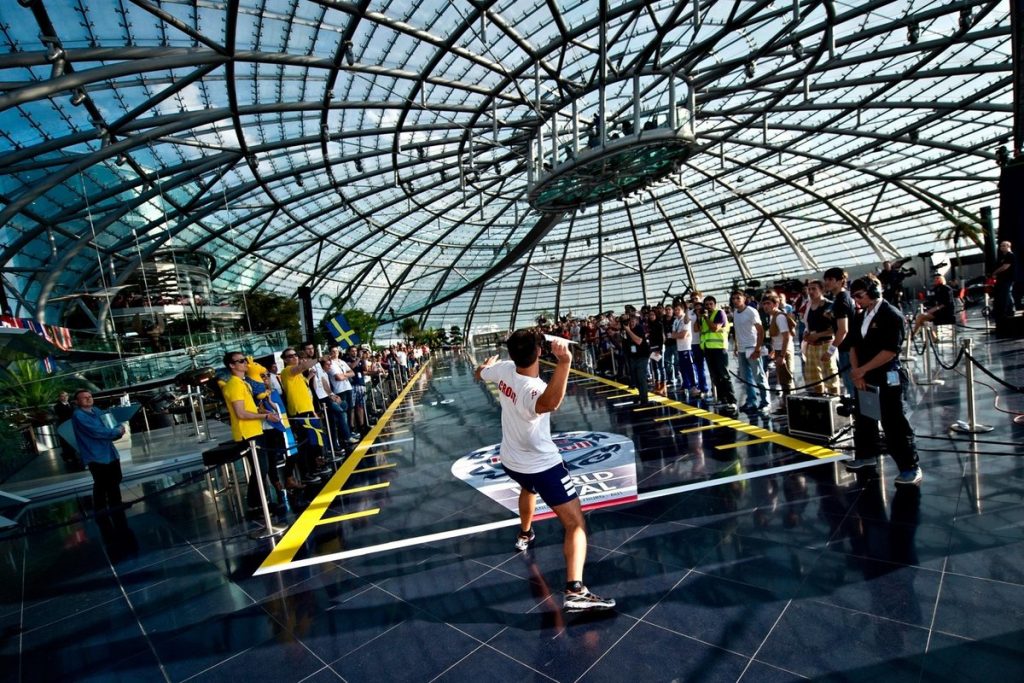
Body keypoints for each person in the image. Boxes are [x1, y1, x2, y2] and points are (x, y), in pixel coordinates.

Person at [475, 329, 616, 613]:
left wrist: (486, 366)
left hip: (512, 461)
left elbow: (479, 374)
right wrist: (564, 363)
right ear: (540, 352)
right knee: (575, 523)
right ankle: (575, 590)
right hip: (542, 466)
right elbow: (550, 403)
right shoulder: (534, 389)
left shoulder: (502, 369)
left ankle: (525, 533)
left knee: (527, 489)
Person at [842, 275, 922, 486]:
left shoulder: (891, 315)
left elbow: (889, 351)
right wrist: (858, 371)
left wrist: (862, 371)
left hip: (888, 375)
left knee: (894, 422)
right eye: (854, 297)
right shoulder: (860, 317)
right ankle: (866, 455)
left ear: (873, 292)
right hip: (865, 376)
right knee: (864, 418)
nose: (856, 301)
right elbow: (853, 345)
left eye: (859, 296)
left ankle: (909, 466)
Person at [221, 353, 282, 513]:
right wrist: (265, 415)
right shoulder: (234, 385)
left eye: (245, 360)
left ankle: (259, 502)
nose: (245, 363)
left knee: (262, 468)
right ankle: (256, 504)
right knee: (260, 469)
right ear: (232, 366)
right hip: (247, 433)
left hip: (254, 430)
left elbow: (248, 408)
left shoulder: (243, 383)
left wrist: (262, 410)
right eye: (241, 361)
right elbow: (241, 413)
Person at [71, 389, 126, 512]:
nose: (88, 398)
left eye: (90, 396)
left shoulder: (96, 410)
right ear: (77, 401)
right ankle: (100, 509)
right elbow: (96, 431)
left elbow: (110, 422)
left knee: (116, 478)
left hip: (109, 453)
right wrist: (116, 431)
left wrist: (119, 428)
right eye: (84, 397)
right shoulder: (79, 415)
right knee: (102, 483)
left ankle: (116, 504)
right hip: (95, 455)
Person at [729, 291, 769, 413]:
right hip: (741, 350)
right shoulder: (735, 313)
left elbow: (760, 331)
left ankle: (765, 402)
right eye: (733, 298)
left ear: (744, 299)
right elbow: (737, 331)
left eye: (738, 298)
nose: (735, 300)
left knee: (759, 377)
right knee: (746, 378)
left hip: (752, 348)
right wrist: (736, 346)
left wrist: (757, 349)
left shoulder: (751, 311)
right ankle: (751, 401)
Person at [698, 295, 738, 416]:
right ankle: (722, 399)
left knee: (724, 375)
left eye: (711, 304)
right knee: (715, 376)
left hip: (720, 349)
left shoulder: (719, 313)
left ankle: (732, 401)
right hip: (708, 349)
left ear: (715, 304)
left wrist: (705, 317)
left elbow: (715, 328)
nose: (708, 306)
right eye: (706, 304)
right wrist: (700, 317)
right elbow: (699, 330)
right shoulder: (705, 317)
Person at [802, 280, 840, 395]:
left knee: (830, 377)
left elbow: (837, 329)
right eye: (809, 289)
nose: (811, 292)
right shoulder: (808, 306)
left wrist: (818, 335)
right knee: (815, 378)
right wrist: (807, 334)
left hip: (826, 344)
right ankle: (821, 401)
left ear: (821, 290)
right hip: (811, 346)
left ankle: (835, 402)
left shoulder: (829, 305)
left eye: (814, 289)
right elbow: (807, 325)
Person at [823, 267, 856, 397]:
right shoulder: (841, 298)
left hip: (847, 349)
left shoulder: (841, 301)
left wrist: (830, 351)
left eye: (830, 279)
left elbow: (843, 330)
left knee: (851, 385)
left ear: (840, 281)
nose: (827, 282)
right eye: (825, 279)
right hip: (848, 347)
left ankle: (858, 412)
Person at [761, 293, 795, 410]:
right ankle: (787, 405)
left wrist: (782, 355)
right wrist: (775, 351)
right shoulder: (772, 316)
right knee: (784, 380)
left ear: (776, 304)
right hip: (779, 350)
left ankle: (789, 407)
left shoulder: (779, 317)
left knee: (787, 380)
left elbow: (786, 337)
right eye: (764, 304)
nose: (766, 306)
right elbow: (778, 337)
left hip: (784, 351)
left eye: (768, 303)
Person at [990, 240, 1016, 320]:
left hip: (1007, 279)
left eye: (1004, 246)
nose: (1002, 247)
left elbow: (1005, 267)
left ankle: (1009, 311)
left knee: (1006, 294)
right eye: (1001, 246)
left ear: (1008, 246)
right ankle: (1010, 310)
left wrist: (995, 272)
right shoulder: (1003, 256)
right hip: (1002, 279)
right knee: (1006, 294)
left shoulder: (1010, 255)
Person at [53, 390, 79, 467]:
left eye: (66, 396)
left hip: (73, 425)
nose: (65, 397)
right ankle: (68, 457)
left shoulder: (72, 404)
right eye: (62, 396)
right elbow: (62, 415)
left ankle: (74, 456)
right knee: (66, 442)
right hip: (65, 426)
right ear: (59, 398)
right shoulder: (57, 406)